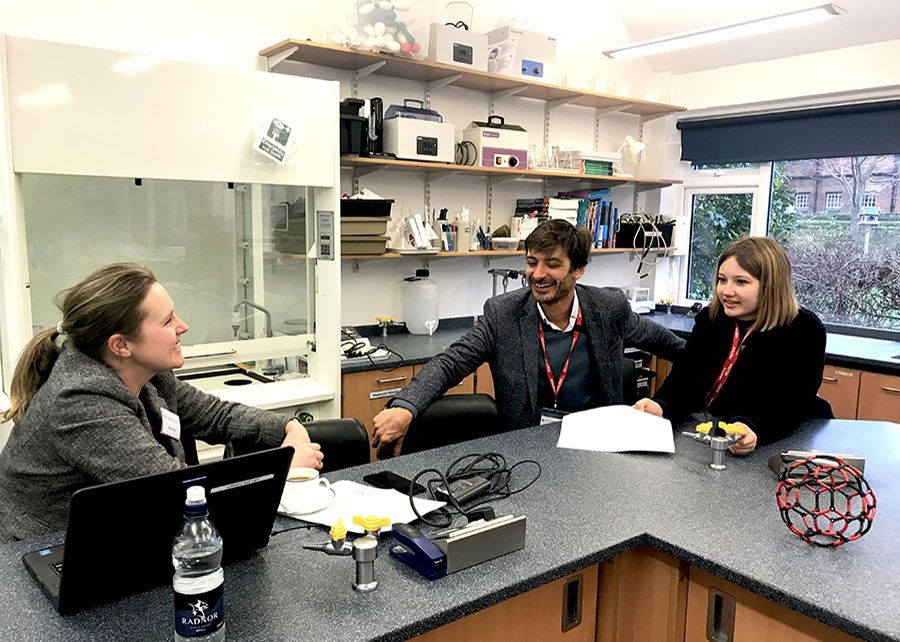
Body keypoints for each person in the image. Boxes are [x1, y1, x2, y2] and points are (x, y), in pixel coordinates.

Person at [0, 263, 323, 543]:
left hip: (110, 539)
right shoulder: (81, 401)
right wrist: (284, 469)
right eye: (167, 321)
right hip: (39, 558)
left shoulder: (148, 374)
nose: (182, 327)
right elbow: (172, 493)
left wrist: (287, 426)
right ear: (121, 345)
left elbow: (216, 415)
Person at [372, 219, 686, 456]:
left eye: (552, 264)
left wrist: (665, 403)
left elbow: (679, 351)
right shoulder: (504, 313)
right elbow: (451, 362)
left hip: (597, 451)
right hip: (525, 453)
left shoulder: (609, 309)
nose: (537, 274)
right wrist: (405, 407)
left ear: (578, 270)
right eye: (532, 262)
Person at [633, 236, 830, 455]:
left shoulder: (804, 330)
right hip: (716, 432)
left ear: (771, 285)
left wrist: (750, 426)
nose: (726, 291)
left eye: (741, 282)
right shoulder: (711, 319)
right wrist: (661, 405)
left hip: (783, 439)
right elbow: (686, 377)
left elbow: (789, 404)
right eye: (722, 280)